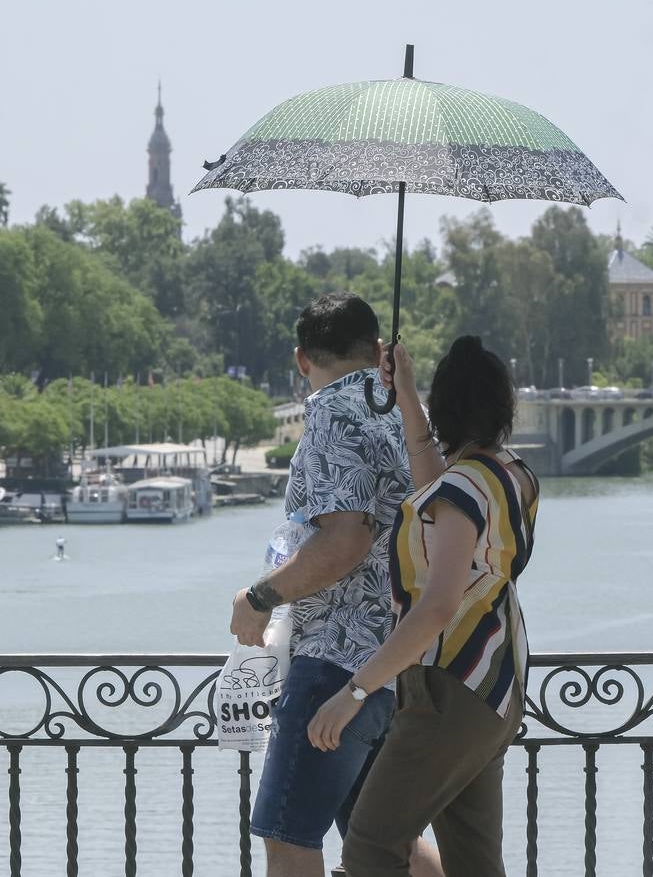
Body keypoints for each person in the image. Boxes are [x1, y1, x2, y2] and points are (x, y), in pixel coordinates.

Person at [308, 336, 539, 877]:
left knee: (370, 847)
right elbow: (441, 489)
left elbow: (436, 608)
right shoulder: (509, 475)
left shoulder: (463, 489)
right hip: (495, 687)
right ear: (503, 407)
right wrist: (408, 395)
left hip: (447, 687)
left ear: (449, 409)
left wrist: (353, 692)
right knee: (474, 862)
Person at [228, 292, 413, 877]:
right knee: (384, 846)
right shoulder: (406, 413)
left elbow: (343, 542)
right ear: (377, 349)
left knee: (288, 838)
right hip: (392, 665)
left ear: (301, 359)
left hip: (334, 663)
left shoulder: (332, 414)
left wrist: (258, 598)